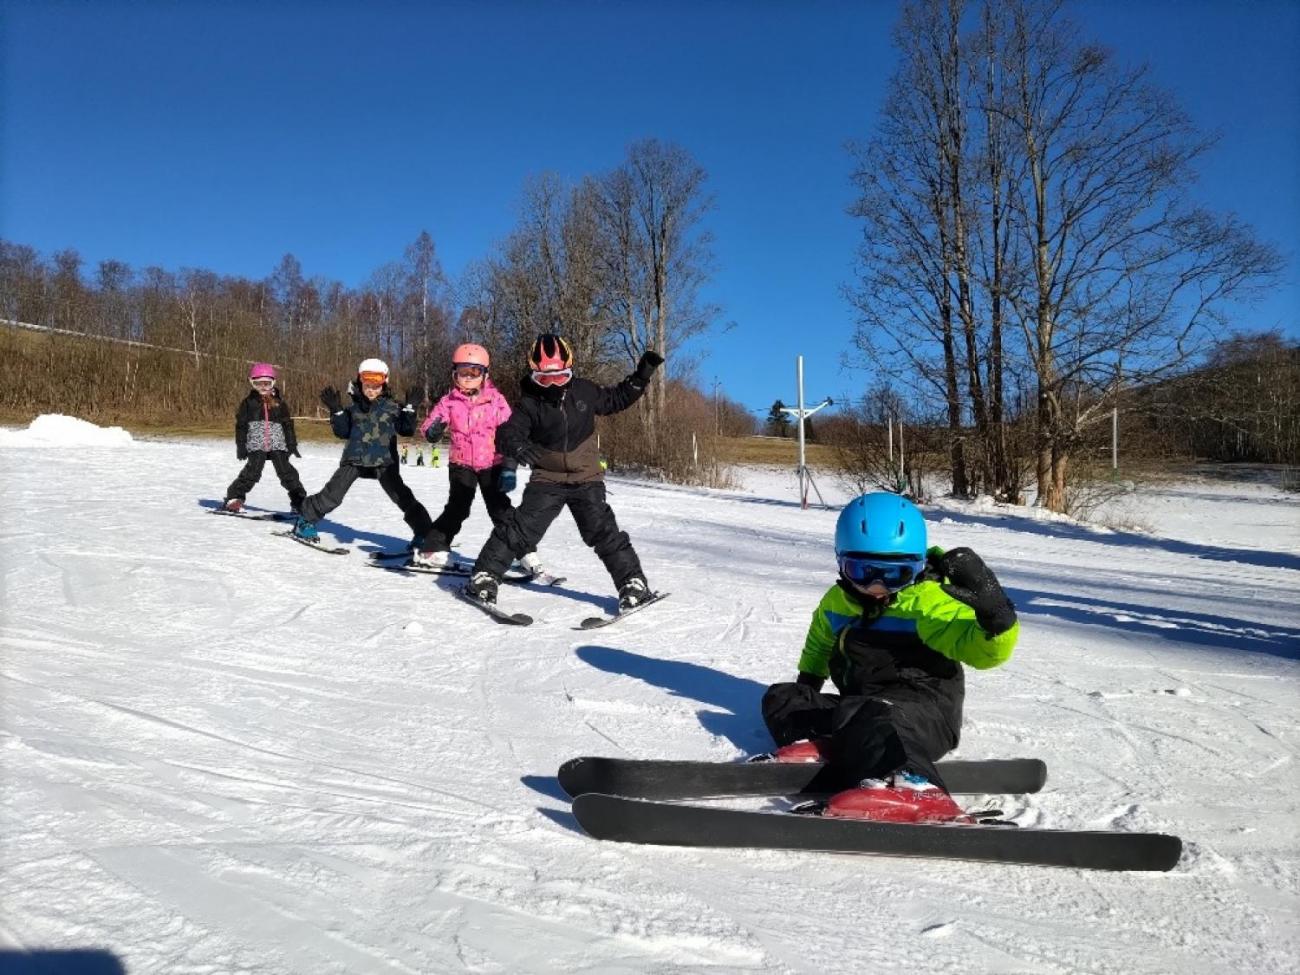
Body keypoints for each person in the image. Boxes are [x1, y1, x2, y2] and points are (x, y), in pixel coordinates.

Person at [760, 491, 1018, 822]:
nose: (877, 586)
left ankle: (915, 785)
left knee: (878, 714)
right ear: (841, 562)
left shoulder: (929, 604)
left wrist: (997, 622)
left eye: (896, 574)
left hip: (922, 715)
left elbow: (981, 652)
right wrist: (807, 686)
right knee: (782, 697)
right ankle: (830, 745)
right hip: (860, 711)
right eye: (863, 571)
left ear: (918, 567)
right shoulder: (837, 601)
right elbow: (819, 643)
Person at [464, 333, 662, 607]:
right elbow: (508, 432)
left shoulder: (585, 391)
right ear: (535, 375)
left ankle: (633, 583)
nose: (554, 384)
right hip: (548, 478)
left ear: (570, 370)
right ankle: (484, 575)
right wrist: (518, 447)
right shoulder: (530, 403)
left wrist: (641, 377)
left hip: (586, 477)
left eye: (560, 376)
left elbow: (616, 399)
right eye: (545, 379)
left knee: (603, 531)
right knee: (520, 529)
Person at [413, 343, 546, 575]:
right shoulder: (449, 401)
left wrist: (511, 463)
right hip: (461, 464)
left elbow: (511, 431)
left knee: (500, 509)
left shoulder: (496, 401)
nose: (468, 378)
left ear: (485, 374)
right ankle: (432, 549)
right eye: (462, 372)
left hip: (492, 464)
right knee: (457, 508)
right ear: (454, 373)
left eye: (474, 372)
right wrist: (432, 430)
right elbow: (430, 425)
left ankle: (522, 551)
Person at [292, 358, 434, 545]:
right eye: (367, 386)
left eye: (376, 386)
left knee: (402, 496)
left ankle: (424, 532)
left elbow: (406, 430)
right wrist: (336, 410)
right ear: (360, 383)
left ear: (384, 384)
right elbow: (342, 432)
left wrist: (410, 408)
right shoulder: (353, 409)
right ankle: (305, 520)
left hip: (384, 461)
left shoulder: (393, 407)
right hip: (354, 459)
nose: (371, 390)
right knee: (333, 495)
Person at [222, 363, 306, 514]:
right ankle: (234, 498)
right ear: (252, 383)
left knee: (286, 472)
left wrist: (292, 444)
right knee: (252, 471)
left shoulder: (280, 403)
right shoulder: (248, 403)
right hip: (256, 443)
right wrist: (241, 445)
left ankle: (299, 501)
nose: (263, 387)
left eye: (266, 383)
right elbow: (241, 425)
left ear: (273, 383)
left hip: (277, 443)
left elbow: (287, 425)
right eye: (258, 384)